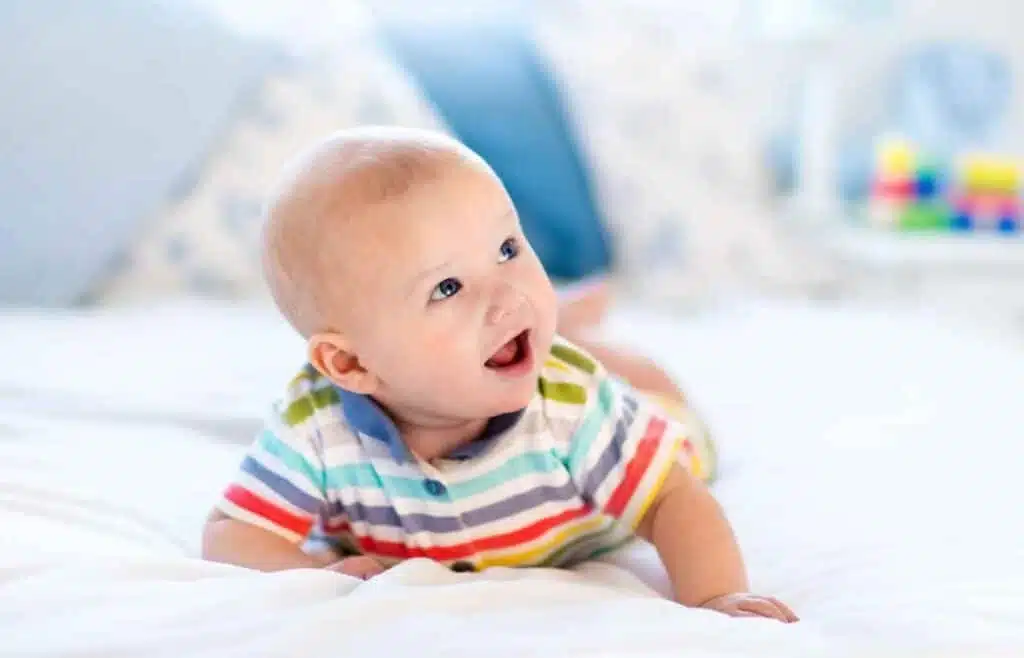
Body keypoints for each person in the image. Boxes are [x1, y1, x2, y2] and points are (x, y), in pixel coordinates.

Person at [201, 127, 797, 623]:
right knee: (534, 333)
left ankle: (575, 333)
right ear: (351, 365)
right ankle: (565, 324)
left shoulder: (570, 404)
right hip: (519, 369)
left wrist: (716, 597)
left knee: (647, 394)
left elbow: (673, 498)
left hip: (647, 424)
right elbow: (232, 530)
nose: (505, 295)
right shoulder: (315, 425)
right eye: (448, 287)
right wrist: (313, 574)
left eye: (508, 249)